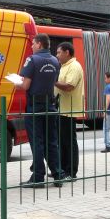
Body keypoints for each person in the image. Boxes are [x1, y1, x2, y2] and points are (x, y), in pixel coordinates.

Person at [14, 33, 65, 188]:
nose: (31, 46)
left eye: (33, 43)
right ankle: (58, 175)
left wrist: (17, 83)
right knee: (52, 141)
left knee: (37, 142)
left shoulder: (32, 60)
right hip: (50, 106)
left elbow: (25, 86)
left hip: (35, 106)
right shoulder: (55, 61)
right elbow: (54, 81)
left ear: (40, 44)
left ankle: (38, 177)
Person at [54, 42, 84, 179]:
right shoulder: (64, 66)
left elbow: (69, 86)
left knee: (69, 142)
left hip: (69, 110)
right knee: (61, 141)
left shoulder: (74, 66)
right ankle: (62, 170)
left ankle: (71, 172)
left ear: (67, 52)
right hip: (61, 109)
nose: (57, 55)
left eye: (59, 52)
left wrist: (52, 81)